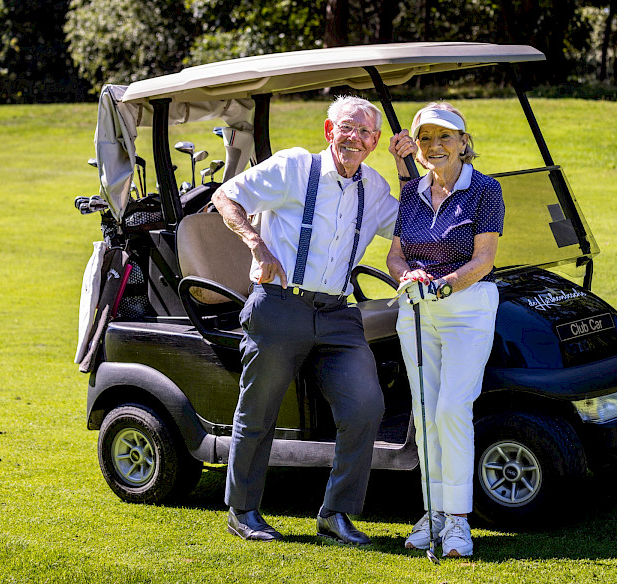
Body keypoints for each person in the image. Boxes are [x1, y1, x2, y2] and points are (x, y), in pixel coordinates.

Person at [212, 96, 414, 546]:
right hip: (280, 304)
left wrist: (406, 165)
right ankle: (242, 511)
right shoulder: (294, 168)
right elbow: (225, 197)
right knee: (259, 410)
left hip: (339, 314)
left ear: (375, 142)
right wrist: (257, 245)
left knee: (366, 406)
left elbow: (412, 225)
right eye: (347, 128)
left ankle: (336, 514)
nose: (354, 138)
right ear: (329, 130)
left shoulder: (375, 187)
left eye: (365, 132)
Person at [386, 102, 504, 558]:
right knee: (425, 413)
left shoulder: (485, 189)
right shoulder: (412, 192)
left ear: (463, 142)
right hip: (416, 309)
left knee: (453, 408)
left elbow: (483, 259)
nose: (435, 145)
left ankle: (457, 521)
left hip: (467, 307)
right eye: (426, 138)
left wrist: (443, 285)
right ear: (416, 146)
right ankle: (433, 511)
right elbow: (396, 254)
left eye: (445, 136)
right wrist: (408, 276)